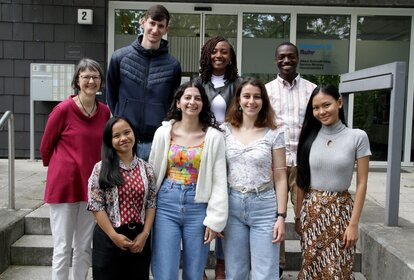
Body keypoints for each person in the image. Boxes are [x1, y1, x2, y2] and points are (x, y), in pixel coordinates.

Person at [149, 80, 228, 280]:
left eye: (198, 98)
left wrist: (215, 220)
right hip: (167, 202)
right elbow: (153, 172)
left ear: (203, 104)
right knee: (165, 271)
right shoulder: (163, 133)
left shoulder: (213, 136)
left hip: (198, 205)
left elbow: (219, 180)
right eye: (187, 97)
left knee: (195, 271)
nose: (192, 102)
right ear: (178, 103)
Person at [40, 58, 110, 280]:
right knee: (62, 248)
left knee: (83, 248)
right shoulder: (63, 110)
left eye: (95, 76)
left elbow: (108, 146)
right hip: (64, 187)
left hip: (91, 188)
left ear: (101, 82)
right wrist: (61, 169)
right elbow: (46, 147)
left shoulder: (105, 112)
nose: (91, 81)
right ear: (77, 81)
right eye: (86, 76)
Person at [295, 84, 371, 279]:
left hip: (341, 212)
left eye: (326, 105)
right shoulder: (308, 137)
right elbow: (301, 181)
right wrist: (298, 217)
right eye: (315, 108)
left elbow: (362, 184)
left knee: (338, 269)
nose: (321, 111)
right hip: (312, 213)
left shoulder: (357, 137)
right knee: (311, 268)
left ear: (339, 102)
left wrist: (353, 224)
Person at [222, 77, 288, 279]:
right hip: (232, 205)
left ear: (263, 101)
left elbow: (280, 176)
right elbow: (218, 173)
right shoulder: (224, 130)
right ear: (239, 100)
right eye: (247, 96)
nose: (252, 101)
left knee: (266, 272)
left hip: (264, 206)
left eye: (257, 97)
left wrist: (281, 216)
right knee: (234, 271)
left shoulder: (275, 132)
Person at [265, 41, 316, 277]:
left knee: (306, 216)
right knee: (275, 215)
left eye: (291, 56)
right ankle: (278, 267)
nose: (287, 61)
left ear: (297, 58)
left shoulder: (311, 90)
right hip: (275, 164)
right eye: (282, 57)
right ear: (275, 60)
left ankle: (310, 264)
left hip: (304, 162)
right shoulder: (265, 91)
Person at [106, 4, 182, 161]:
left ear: (166, 29)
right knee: (123, 185)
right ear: (143, 22)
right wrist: (121, 118)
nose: (155, 30)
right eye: (152, 23)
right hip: (124, 140)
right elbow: (111, 95)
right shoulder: (119, 58)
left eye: (160, 26)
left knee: (153, 185)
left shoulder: (173, 65)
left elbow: (172, 102)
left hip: (156, 141)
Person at [87, 116, 157, 279]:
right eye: (116, 135)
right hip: (109, 238)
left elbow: (151, 203)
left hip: (139, 240)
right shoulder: (100, 168)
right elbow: (96, 206)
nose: (123, 138)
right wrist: (114, 236)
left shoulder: (147, 169)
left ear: (134, 134)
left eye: (127, 132)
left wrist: (145, 234)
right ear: (109, 141)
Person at [197, 35, 241, 280]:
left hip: (231, 150)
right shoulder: (197, 83)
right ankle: (200, 262)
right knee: (203, 204)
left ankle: (222, 265)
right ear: (207, 55)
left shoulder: (239, 83)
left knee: (226, 204)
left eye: (224, 51)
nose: (219, 55)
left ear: (231, 56)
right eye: (214, 51)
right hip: (202, 149)